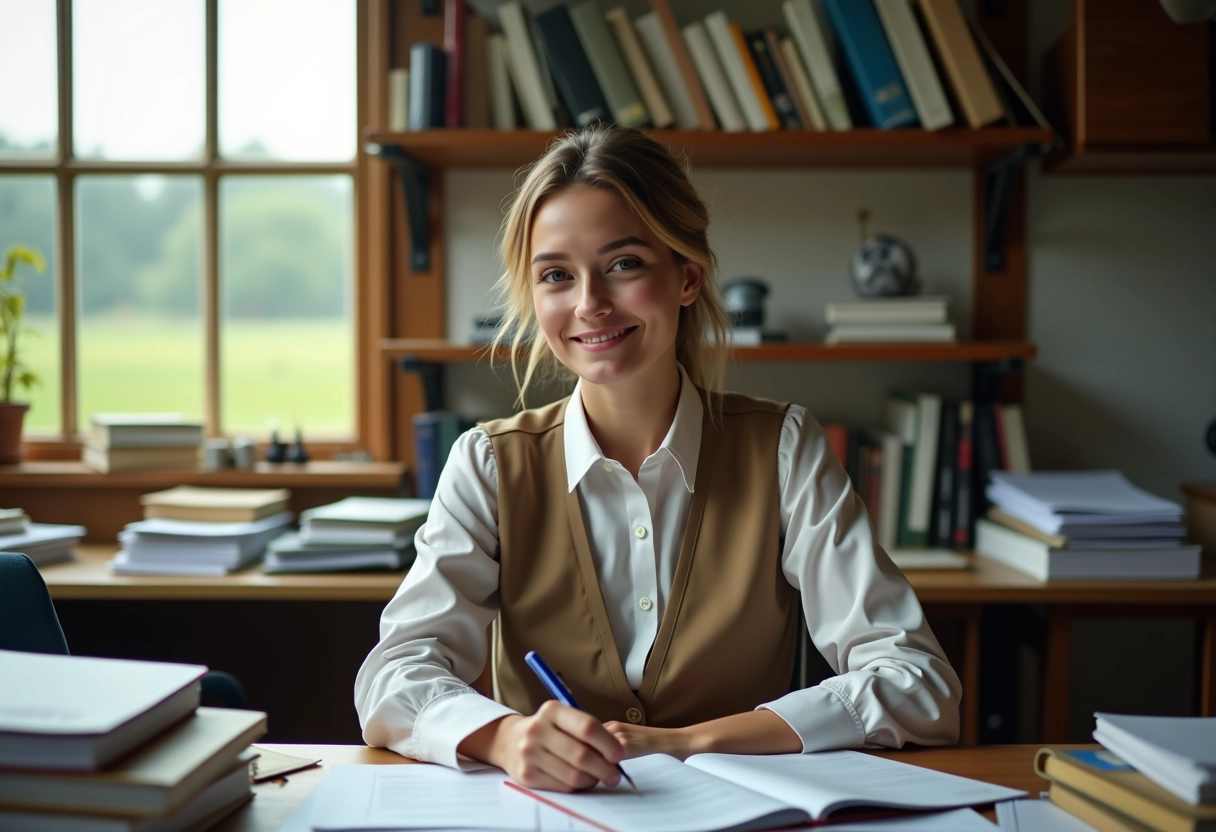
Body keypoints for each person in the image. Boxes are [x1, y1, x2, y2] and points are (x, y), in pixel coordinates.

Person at [355, 125, 961, 794]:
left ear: (687, 278)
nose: (590, 303)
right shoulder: (489, 466)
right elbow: (392, 676)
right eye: (556, 275)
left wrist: (690, 743)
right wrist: (505, 736)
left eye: (624, 264)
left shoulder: (784, 449)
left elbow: (919, 683)